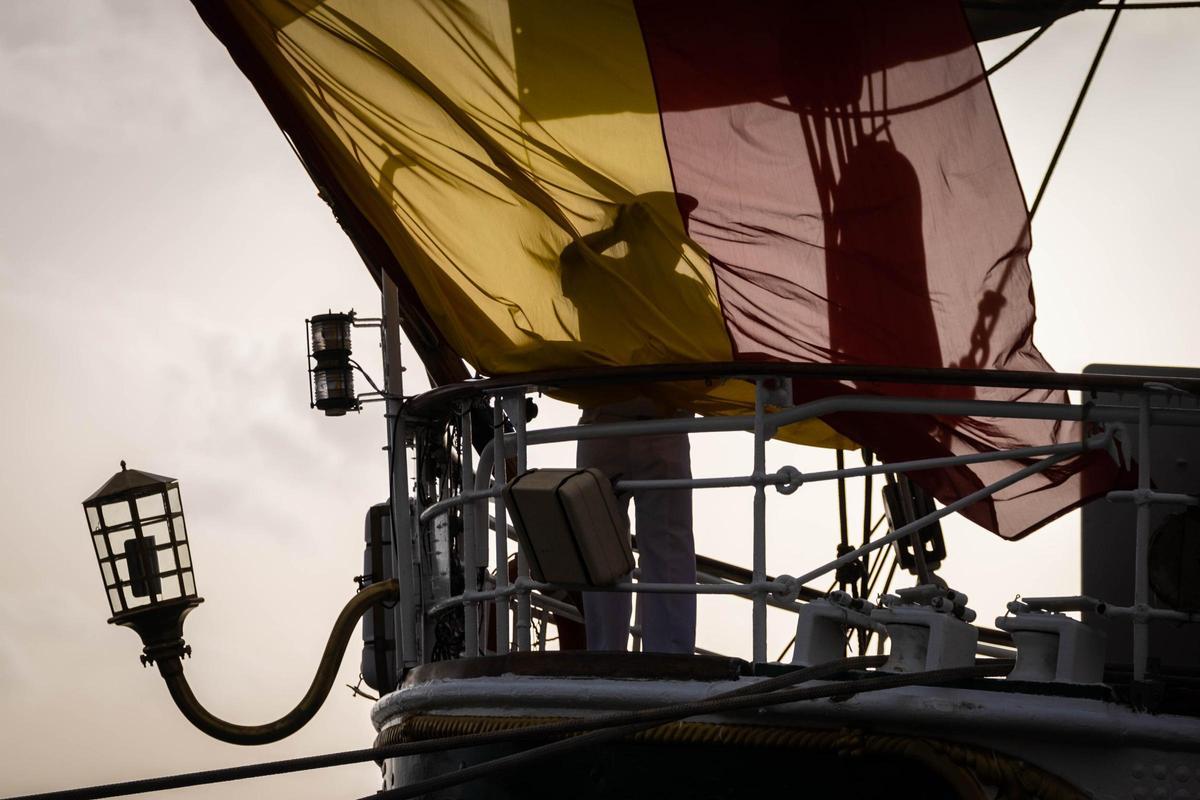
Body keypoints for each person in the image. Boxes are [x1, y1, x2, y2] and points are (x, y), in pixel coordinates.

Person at [559, 192, 701, 654]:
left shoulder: (603, 278)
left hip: (604, 425)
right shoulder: (685, 290)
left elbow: (571, 260)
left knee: (600, 551)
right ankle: (670, 653)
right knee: (669, 548)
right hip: (659, 427)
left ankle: (606, 652)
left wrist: (616, 233)